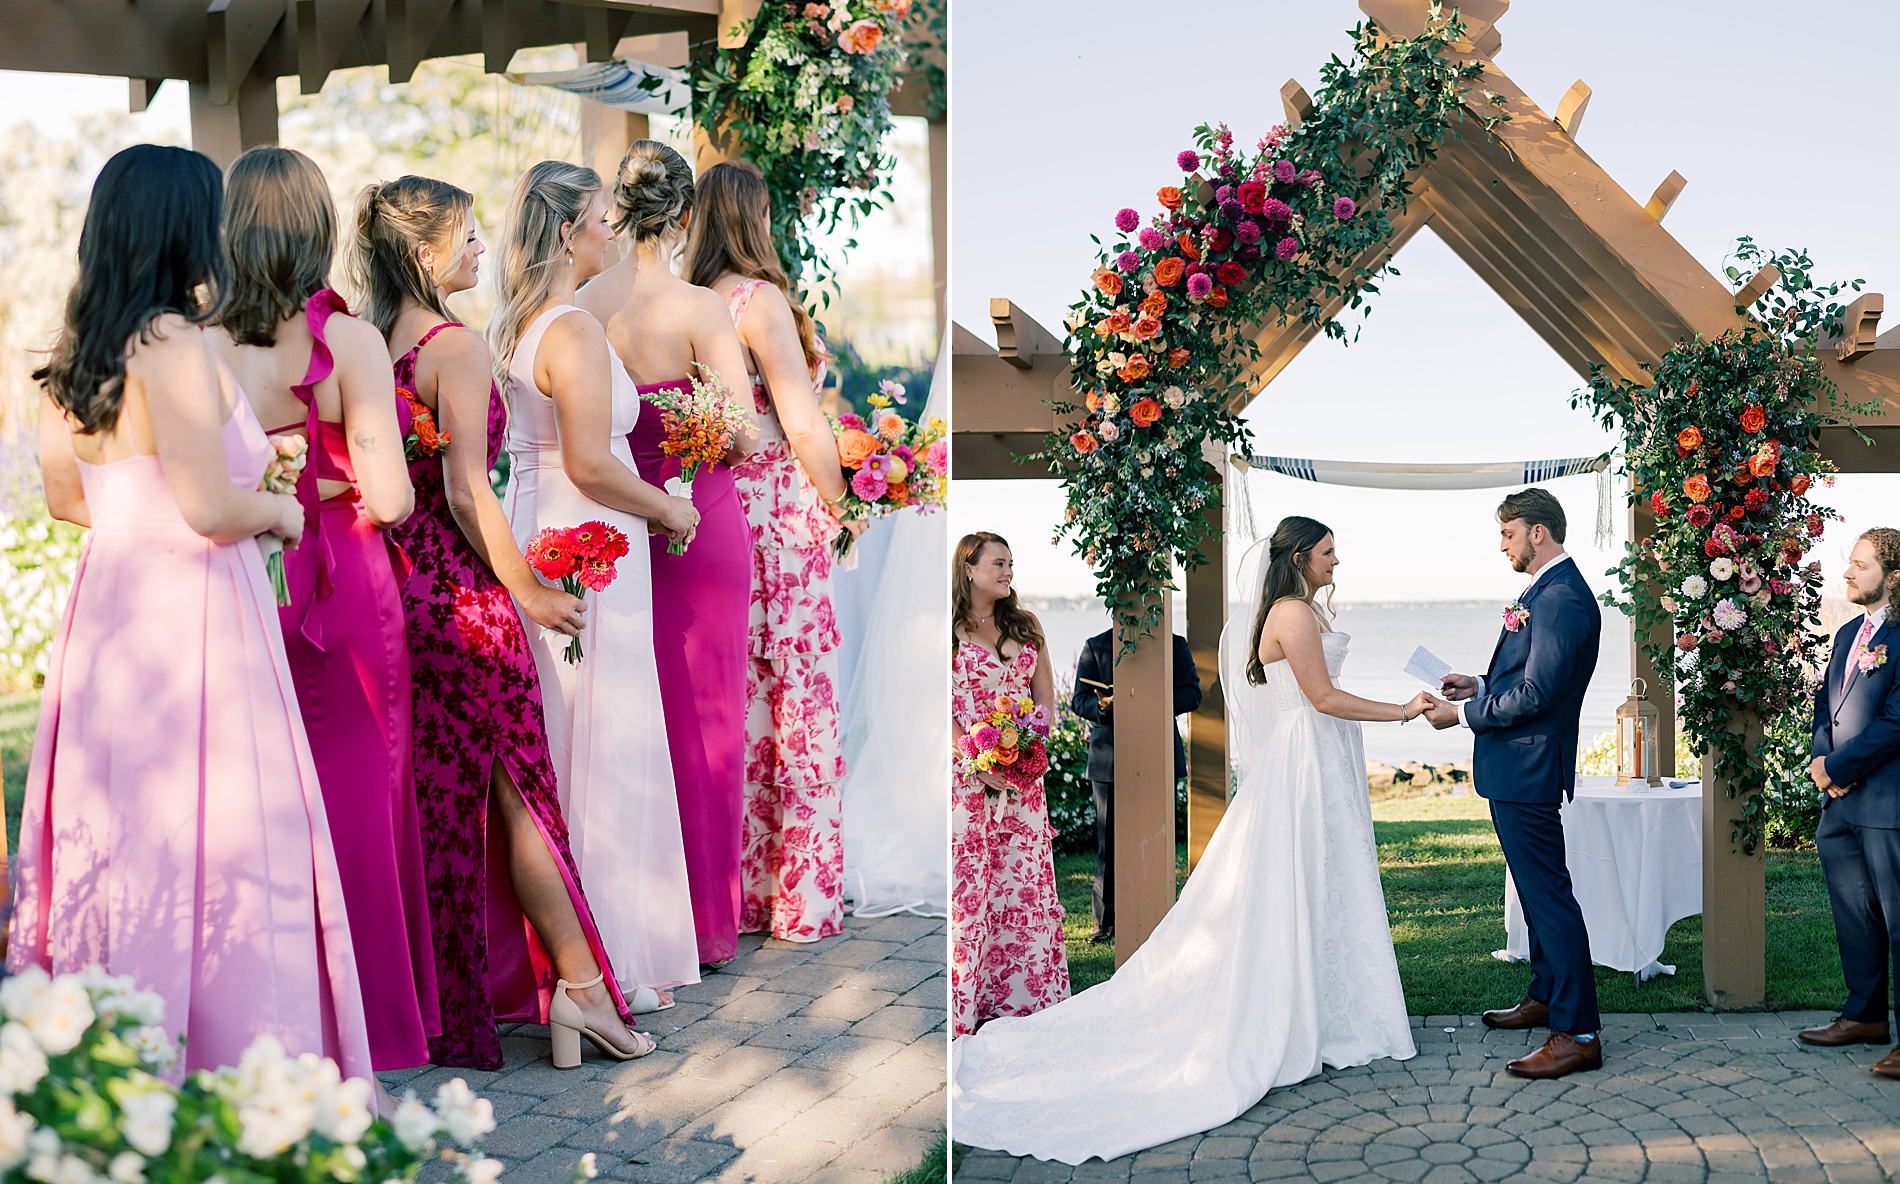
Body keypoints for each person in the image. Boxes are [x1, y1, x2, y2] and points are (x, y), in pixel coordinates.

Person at [10, 144, 373, 1080]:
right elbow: (211, 509)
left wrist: (147, 521)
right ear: (184, 230)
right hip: (195, 616)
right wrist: (285, 512)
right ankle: (226, 1058)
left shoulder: (72, 354)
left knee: (126, 830)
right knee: (210, 832)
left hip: (112, 610)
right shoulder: (172, 345)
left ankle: (111, 1054)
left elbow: (68, 499)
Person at [953, 517, 1426, 1164]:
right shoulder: (1290, 611)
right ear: (1297, 557)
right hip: (1306, 759)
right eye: (1327, 552)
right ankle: (1300, 1017)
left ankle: (1328, 1012)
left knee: (1322, 880)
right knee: (1302, 878)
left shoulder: (1297, 608)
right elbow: (1323, 697)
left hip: (1318, 756)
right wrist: (1405, 710)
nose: (1336, 562)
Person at [352, 174, 650, 1068]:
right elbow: (465, 487)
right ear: (425, 253)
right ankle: (584, 996)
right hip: (467, 596)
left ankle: (453, 1008)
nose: (484, 248)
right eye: (468, 236)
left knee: (447, 805)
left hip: (404, 595)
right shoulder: (455, 348)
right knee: (523, 797)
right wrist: (530, 591)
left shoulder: (373, 344)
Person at [209, 145, 437, 1073]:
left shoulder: (199, 344)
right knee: (363, 799)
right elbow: (389, 500)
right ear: (319, 229)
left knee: (258, 803)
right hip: (341, 586)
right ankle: (374, 1025)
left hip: (244, 579)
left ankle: (278, 1022)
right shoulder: (350, 343)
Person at [493, 158, 705, 1006]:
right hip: (590, 537)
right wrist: (669, 510)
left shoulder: (523, 324)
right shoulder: (572, 328)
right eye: (596, 218)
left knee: (568, 734)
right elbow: (587, 458)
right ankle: (606, 956)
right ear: (564, 233)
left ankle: (578, 957)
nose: (609, 230)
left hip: (548, 526)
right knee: (600, 740)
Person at [578, 144, 756, 971]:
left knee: (626, 716)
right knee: (707, 721)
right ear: (685, 217)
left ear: (615, 208)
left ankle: (632, 917)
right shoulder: (699, 308)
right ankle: (705, 928)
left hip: (612, 518)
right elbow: (744, 434)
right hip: (700, 520)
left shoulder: (582, 304)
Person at [688, 158, 858, 943]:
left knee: (743, 699)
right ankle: (800, 897)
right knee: (799, 697)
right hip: (780, 517)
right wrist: (843, 499)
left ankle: (743, 891)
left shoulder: (689, 305)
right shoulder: (758, 303)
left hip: (714, 510)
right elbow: (799, 419)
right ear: (756, 218)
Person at [1424, 487, 1603, 1079]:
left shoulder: (1560, 598)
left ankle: (1577, 1031)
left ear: (1537, 534)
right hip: (1516, 766)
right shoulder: (1547, 592)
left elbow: (1540, 694)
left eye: (1507, 533)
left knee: (1550, 897)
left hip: (1528, 767)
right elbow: (1524, 678)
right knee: (1535, 894)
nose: (1502, 544)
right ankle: (1548, 993)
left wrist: (1465, 716)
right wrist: (1476, 684)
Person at [950, 532, 1070, 1037]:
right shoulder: (948, 629)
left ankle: (1024, 999)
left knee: (1020, 887)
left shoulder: (1027, 625)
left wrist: (1026, 754)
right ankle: (969, 1002)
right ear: (969, 568)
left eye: (1011, 564)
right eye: (998, 563)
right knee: (973, 889)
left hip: (1022, 783)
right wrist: (976, 757)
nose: (1008, 572)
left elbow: (1045, 704)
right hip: (966, 780)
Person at [1801, 527, 1900, 1077]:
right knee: (1854, 916)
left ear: (1894, 577)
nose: (1847, 573)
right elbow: (1826, 709)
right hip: (1838, 803)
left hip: (1887, 800)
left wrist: (1839, 767)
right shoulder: (1844, 635)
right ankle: (1864, 1015)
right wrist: (1822, 763)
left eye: (1861, 565)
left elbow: (1896, 722)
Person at [1070, 628, 1201, 943]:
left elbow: (1192, 694)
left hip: (1159, 754)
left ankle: (1159, 913)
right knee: (1108, 843)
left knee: (1158, 837)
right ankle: (1104, 921)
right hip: (1109, 758)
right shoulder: (1095, 644)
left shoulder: (1175, 645)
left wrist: (1145, 698)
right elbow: (1079, 700)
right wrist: (1103, 707)